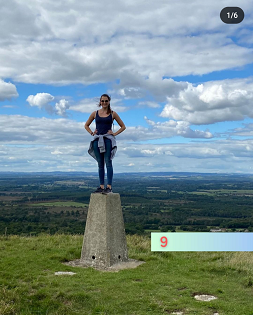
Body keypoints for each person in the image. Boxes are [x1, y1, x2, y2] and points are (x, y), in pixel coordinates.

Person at [84, 94, 126, 194]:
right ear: (100, 102)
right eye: (102, 101)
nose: (104, 103)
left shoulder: (113, 113)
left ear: (109, 102)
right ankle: (101, 186)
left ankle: (109, 187)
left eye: (106, 101)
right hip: (97, 139)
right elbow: (86, 125)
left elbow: (123, 126)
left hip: (108, 140)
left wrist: (114, 133)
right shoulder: (95, 113)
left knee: (108, 162)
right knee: (100, 164)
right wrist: (91, 132)